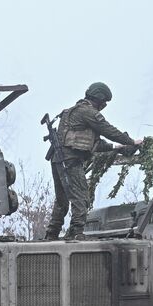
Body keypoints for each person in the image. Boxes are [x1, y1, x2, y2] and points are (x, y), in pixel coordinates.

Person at [46, 82, 141, 240]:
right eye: (104, 102)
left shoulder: (72, 112)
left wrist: (116, 147)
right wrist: (131, 142)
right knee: (82, 196)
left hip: (59, 159)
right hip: (70, 160)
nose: (104, 105)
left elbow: (93, 143)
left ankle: (52, 233)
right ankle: (76, 232)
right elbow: (108, 130)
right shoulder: (87, 112)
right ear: (98, 98)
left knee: (62, 200)